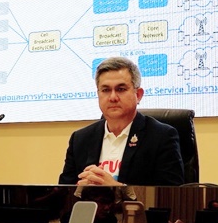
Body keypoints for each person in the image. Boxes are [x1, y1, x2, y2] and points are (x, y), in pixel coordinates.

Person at [58, 56, 184, 186]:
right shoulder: (80, 139)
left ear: (138, 95)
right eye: (106, 90)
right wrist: (79, 190)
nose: (113, 97)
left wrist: (117, 189)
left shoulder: (161, 136)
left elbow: (171, 194)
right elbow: (63, 192)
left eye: (121, 89)